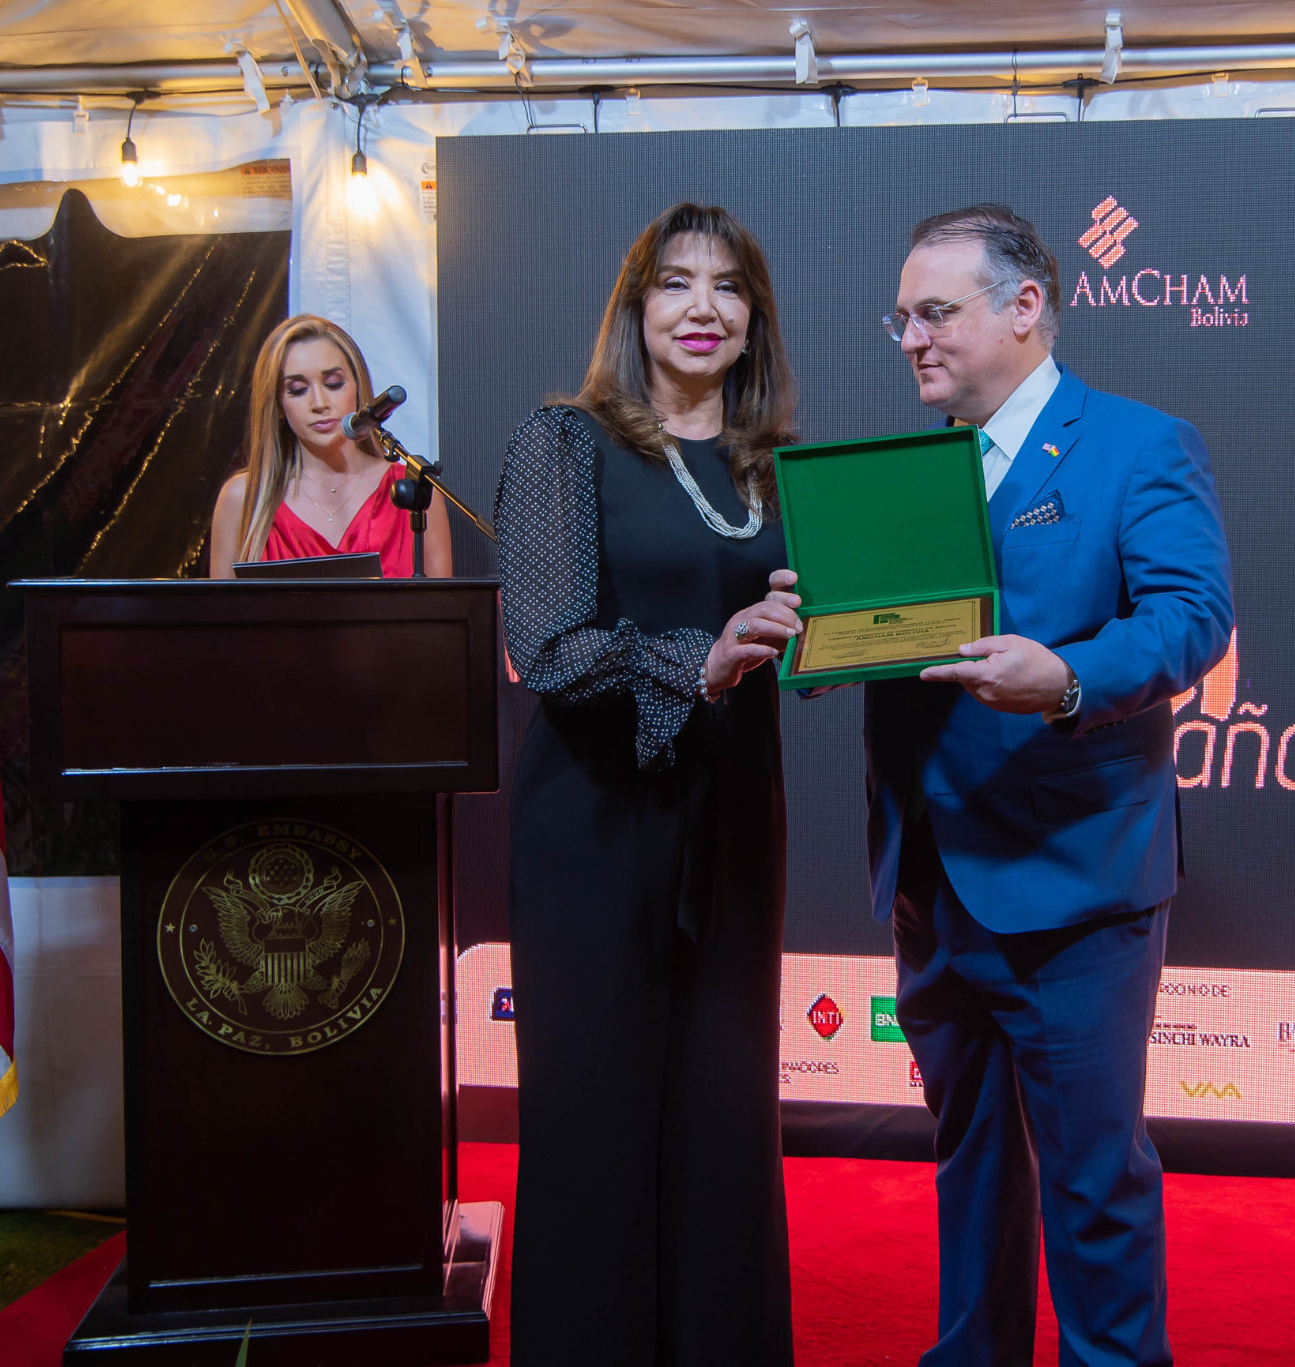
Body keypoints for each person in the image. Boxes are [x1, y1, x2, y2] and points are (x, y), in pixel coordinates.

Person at [855, 204, 1232, 1366]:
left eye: (934, 312)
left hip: (1073, 886)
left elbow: (1189, 618)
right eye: (899, 318)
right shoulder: (903, 474)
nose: (912, 338)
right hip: (932, 882)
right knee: (968, 1161)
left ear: (1024, 306)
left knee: (1090, 1177)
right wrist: (813, 621)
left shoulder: (1138, 444)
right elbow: (886, 638)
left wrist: (1065, 677)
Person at [493, 203, 802, 1366]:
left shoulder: (775, 468)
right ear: (634, 308)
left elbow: (810, 635)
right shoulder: (565, 441)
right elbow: (547, 647)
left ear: (753, 318)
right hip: (594, 812)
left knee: (726, 1105)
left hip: (731, 810)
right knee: (593, 1109)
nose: (701, 308)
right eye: (675, 283)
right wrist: (696, 661)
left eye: (728, 286)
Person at [208, 313, 452, 577]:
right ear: (278, 404)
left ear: (358, 388)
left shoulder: (415, 493)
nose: (319, 403)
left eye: (333, 384)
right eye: (298, 389)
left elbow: (442, 602)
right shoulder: (243, 498)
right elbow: (221, 605)